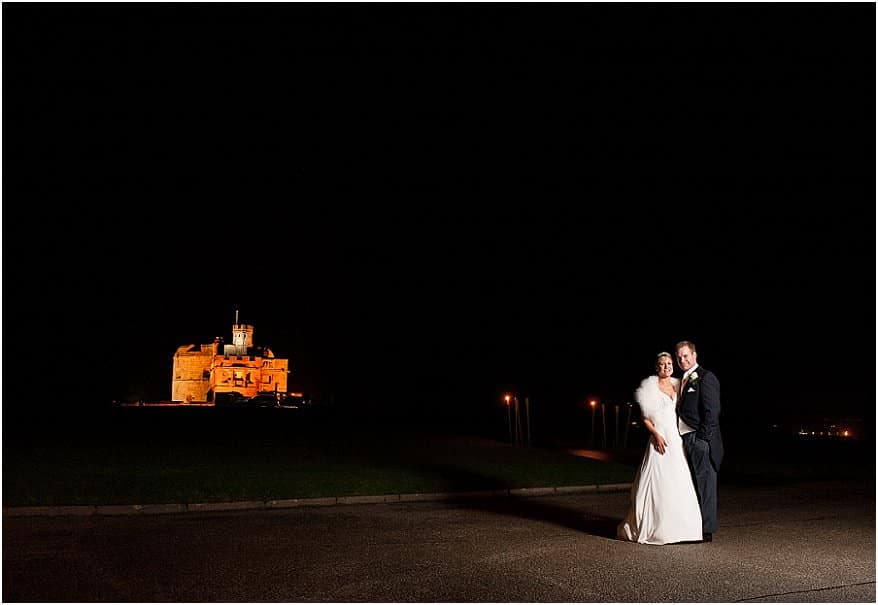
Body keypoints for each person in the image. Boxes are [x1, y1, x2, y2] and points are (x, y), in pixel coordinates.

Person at [617, 352, 702, 544]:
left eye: (670, 364)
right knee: (657, 478)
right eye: (662, 364)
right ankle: (656, 526)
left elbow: (694, 390)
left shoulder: (678, 383)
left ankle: (684, 528)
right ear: (657, 367)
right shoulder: (650, 386)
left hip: (675, 436)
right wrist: (655, 434)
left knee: (678, 478)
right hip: (659, 436)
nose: (667, 367)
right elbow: (645, 418)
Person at [676, 340, 724, 543]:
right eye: (679, 357)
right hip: (686, 439)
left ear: (695, 355)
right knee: (693, 485)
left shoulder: (705, 377)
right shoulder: (684, 380)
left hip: (700, 439)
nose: (682, 360)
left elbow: (712, 412)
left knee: (705, 485)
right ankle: (694, 526)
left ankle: (707, 530)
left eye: (686, 355)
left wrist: (702, 437)